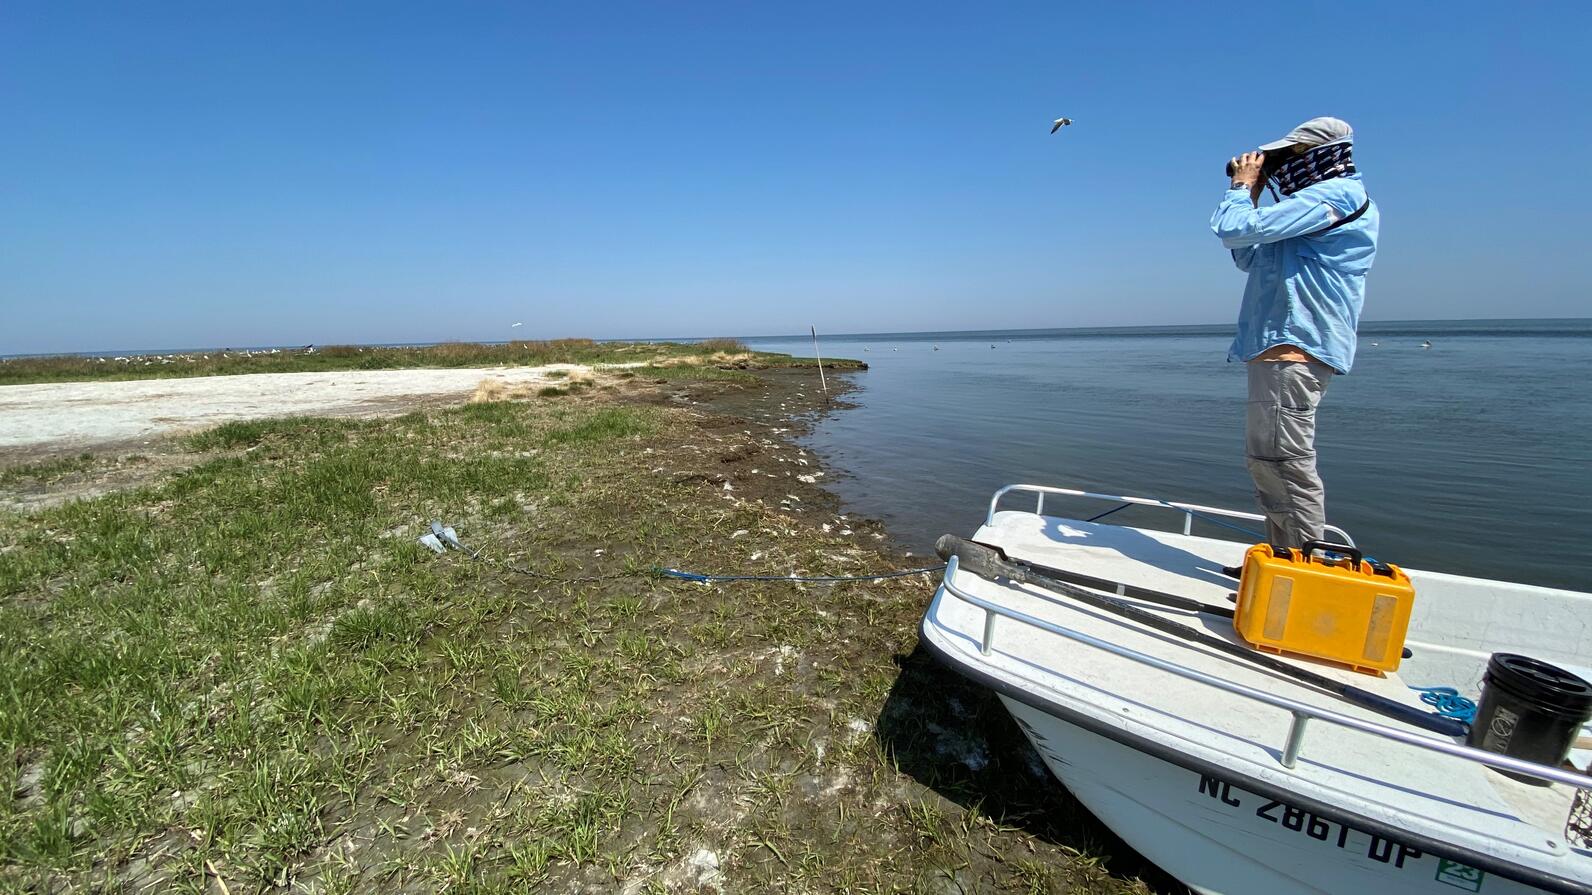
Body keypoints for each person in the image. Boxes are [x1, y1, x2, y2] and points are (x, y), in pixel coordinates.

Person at [1211, 116, 1378, 551]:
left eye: (1290, 156)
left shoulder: (1338, 195)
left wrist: (1238, 192)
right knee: (1267, 461)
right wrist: (1252, 192)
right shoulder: (1304, 213)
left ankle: (1306, 568)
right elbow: (1246, 256)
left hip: (1296, 347)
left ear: (1316, 154)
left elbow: (1234, 229)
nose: (1281, 166)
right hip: (1276, 348)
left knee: (1285, 461)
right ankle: (1284, 558)